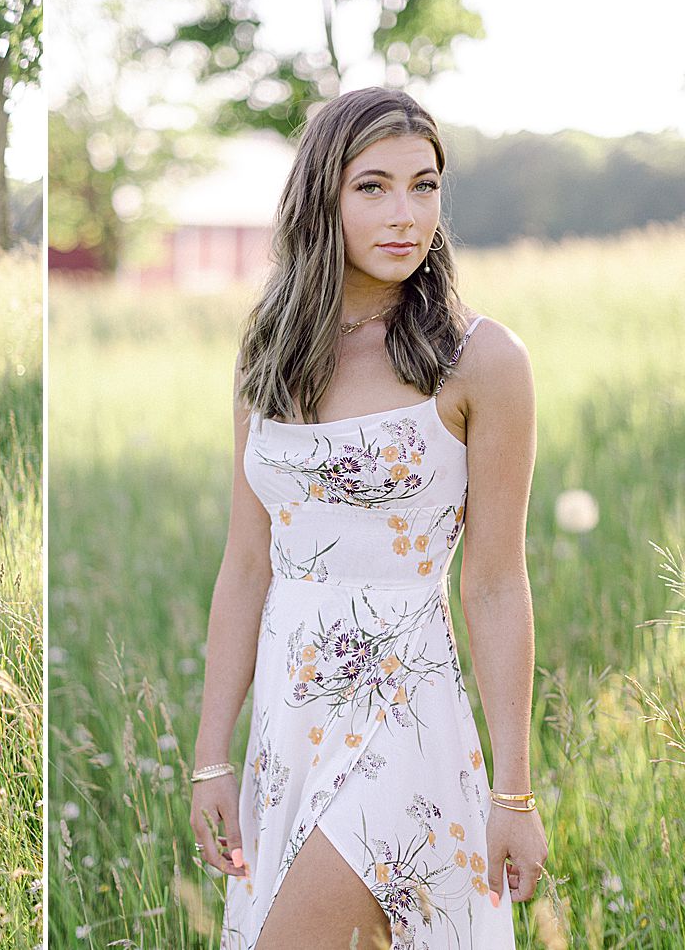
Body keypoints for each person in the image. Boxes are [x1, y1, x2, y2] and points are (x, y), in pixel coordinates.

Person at [189, 88, 548, 949]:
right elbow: (247, 564)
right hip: (289, 720)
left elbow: (496, 585)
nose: (406, 214)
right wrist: (211, 756)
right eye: (374, 187)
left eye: (424, 186)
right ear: (324, 198)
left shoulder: (479, 360)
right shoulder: (269, 348)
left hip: (403, 715)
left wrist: (514, 793)